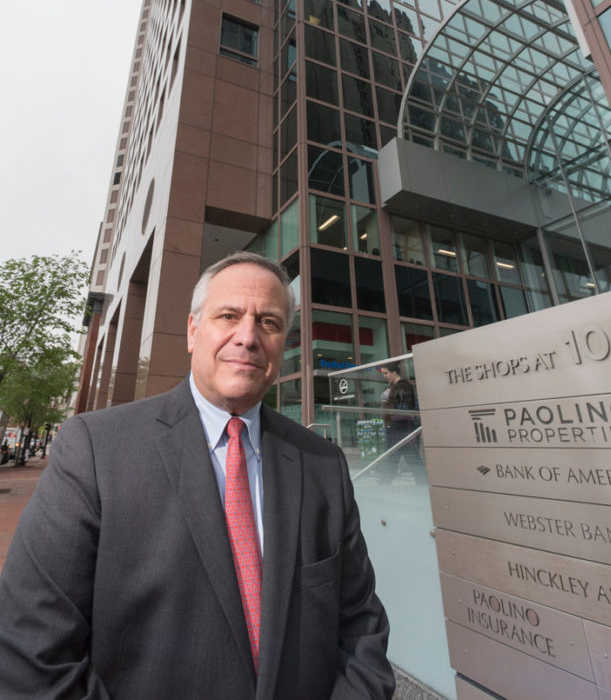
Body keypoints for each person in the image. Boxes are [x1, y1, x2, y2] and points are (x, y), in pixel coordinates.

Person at [0, 252, 395, 700]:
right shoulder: (94, 449)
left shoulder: (323, 464)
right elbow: (33, 649)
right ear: (192, 331)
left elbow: (361, 627)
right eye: (228, 315)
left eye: (268, 323)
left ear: (283, 344)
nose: (247, 337)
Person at [378, 362, 424, 484]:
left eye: (386, 373)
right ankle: (384, 483)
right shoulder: (389, 386)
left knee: (409, 458)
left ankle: (384, 484)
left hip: (402, 429)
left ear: (394, 373)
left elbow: (405, 409)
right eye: (383, 373)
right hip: (392, 428)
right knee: (396, 458)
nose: (384, 376)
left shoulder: (404, 386)